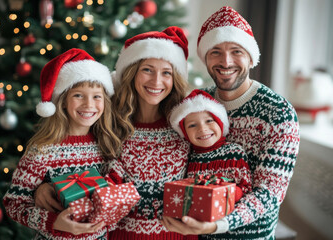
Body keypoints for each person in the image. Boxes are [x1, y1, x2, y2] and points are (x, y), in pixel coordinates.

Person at [161, 6, 300, 240]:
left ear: (250, 57)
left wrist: (219, 225)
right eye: (215, 52)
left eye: (236, 51)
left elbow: (269, 194)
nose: (226, 62)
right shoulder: (193, 106)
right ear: (205, 57)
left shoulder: (278, 112)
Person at [3, 48, 120, 240]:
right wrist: (52, 222)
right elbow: (14, 203)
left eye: (96, 96)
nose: (89, 104)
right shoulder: (43, 149)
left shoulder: (107, 145)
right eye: (78, 95)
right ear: (63, 101)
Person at [106, 26, 197, 240]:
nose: (157, 81)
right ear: (132, 72)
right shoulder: (109, 124)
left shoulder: (186, 126)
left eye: (166, 72)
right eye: (147, 69)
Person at [169, 89, 251, 203]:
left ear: (220, 123)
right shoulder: (187, 156)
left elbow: (245, 188)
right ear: (185, 133)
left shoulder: (234, 152)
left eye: (209, 121)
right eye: (192, 125)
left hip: (227, 212)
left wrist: (224, 194)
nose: (202, 129)